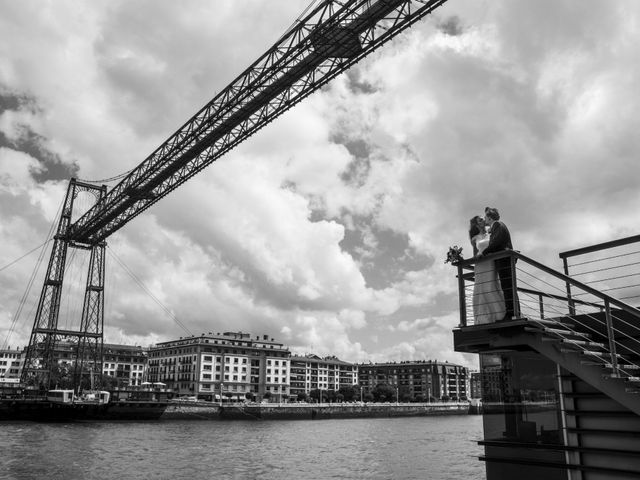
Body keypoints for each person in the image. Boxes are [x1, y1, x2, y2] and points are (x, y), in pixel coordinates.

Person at [477, 207, 518, 320]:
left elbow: (496, 242)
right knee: (507, 286)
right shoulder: (496, 226)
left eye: (485, 217)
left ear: (490, 218)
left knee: (507, 287)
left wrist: (484, 252)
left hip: (504, 259)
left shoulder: (498, 225)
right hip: (503, 259)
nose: (484, 219)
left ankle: (512, 314)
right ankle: (513, 312)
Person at [469, 215, 506, 324]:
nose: (483, 220)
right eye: (480, 220)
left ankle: (499, 314)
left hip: (490, 262)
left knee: (490, 287)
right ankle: (483, 318)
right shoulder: (474, 239)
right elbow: (475, 254)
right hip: (480, 265)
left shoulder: (492, 232)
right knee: (480, 289)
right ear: (476, 224)